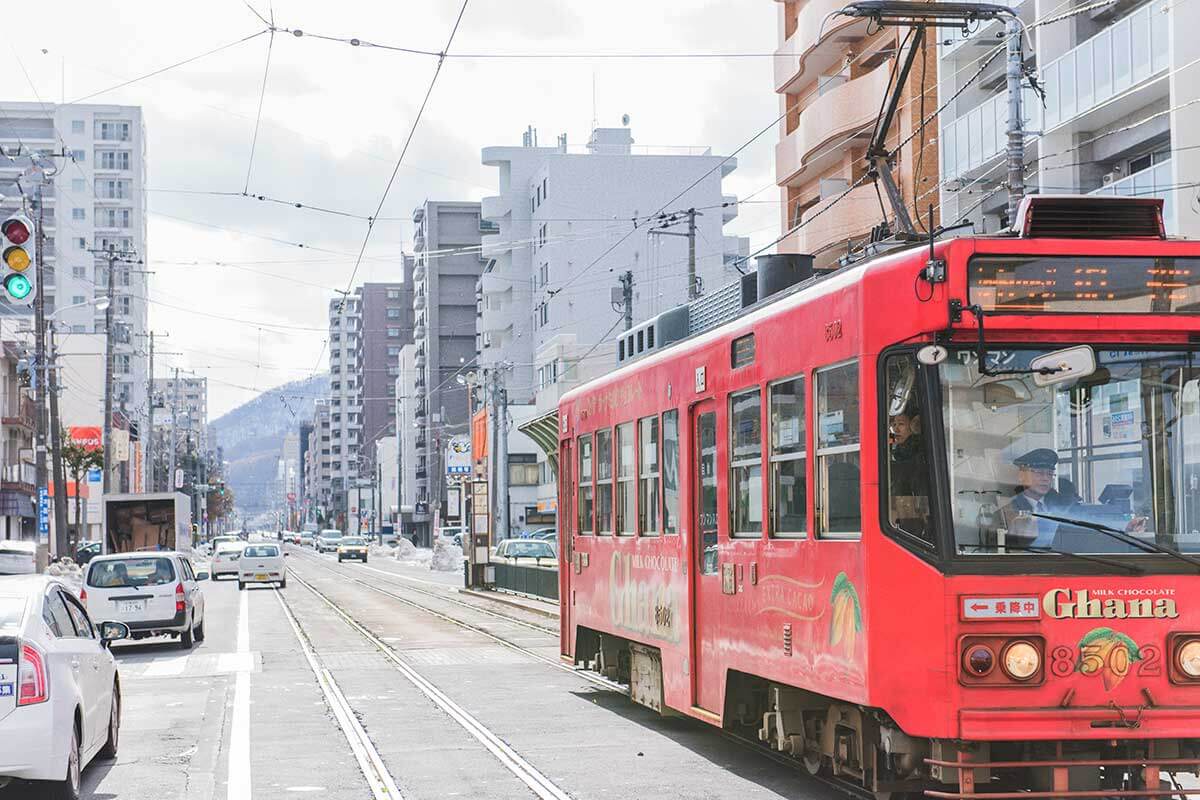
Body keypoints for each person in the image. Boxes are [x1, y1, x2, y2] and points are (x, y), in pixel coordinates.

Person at [888, 403, 930, 538]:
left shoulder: (918, 457)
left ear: (914, 427)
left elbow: (921, 492)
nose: (895, 429)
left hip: (915, 524)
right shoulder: (899, 453)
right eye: (894, 425)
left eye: (901, 424)